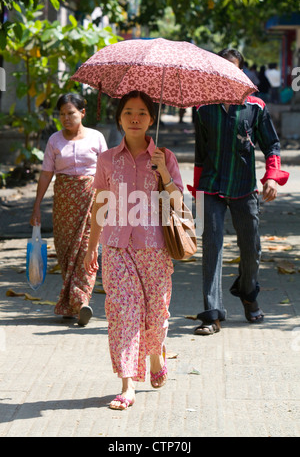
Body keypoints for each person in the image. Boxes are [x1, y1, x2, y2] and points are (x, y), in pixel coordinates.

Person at [84, 90, 183, 410]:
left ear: (152, 118)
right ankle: (127, 385)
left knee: (155, 316)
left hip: (154, 248)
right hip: (116, 247)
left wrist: (164, 173)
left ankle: (156, 355)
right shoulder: (107, 159)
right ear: (119, 118)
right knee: (124, 314)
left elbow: (179, 203)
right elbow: (100, 203)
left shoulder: (165, 157)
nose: (135, 118)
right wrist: (91, 248)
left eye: (142, 112)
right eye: (128, 112)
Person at [187, 48, 289, 335]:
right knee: (212, 247)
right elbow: (199, 154)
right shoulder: (203, 109)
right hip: (211, 187)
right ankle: (212, 314)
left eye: (234, 69)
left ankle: (247, 292)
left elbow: (272, 145)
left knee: (251, 250)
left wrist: (272, 177)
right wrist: (196, 194)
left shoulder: (255, 107)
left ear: (241, 72)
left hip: (245, 188)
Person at [30, 93, 108, 326]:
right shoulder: (54, 140)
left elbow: (107, 170)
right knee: (65, 251)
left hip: (91, 200)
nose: (66, 118)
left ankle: (81, 300)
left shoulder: (96, 137)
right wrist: (36, 206)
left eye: (70, 113)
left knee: (87, 249)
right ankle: (73, 304)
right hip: (63, 202)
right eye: (62, 114)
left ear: (82, 113)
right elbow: (46, 173)